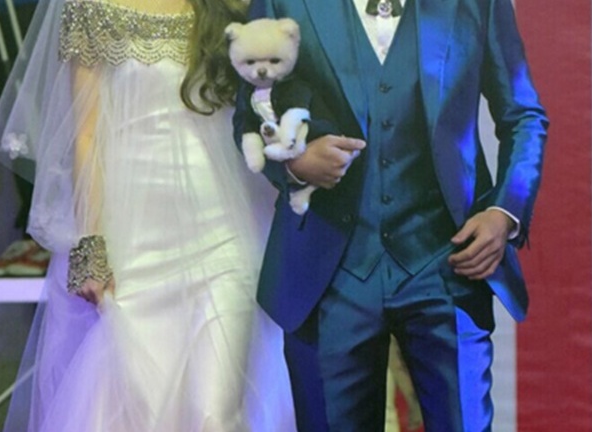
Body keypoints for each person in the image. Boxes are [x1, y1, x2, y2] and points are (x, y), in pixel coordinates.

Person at [234, 0, 549, 431]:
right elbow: (249, 112)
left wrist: (503, 211)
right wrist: (296, 164)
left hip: (448, 264)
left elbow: (523, 116)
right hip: (327, 275)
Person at [0, 0, 295, 431]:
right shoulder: (90, 8)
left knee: (219, 408)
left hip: (224, 224)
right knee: (135, 401)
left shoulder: (229, 5)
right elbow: (87, 133)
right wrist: (91, 242)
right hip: (132, 233)